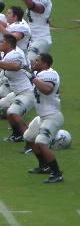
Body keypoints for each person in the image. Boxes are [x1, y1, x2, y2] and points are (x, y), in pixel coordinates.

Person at [23, 53, 64, 183]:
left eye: (38, 60)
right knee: (29, 137)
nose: (35, 62)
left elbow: (47, 89)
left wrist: (32, 77)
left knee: (41, 142)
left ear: (45, 63)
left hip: (52, 116)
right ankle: (44, 166)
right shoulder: (40, 74)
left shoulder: (50, 74)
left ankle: (57, 173)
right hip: (42, 116)